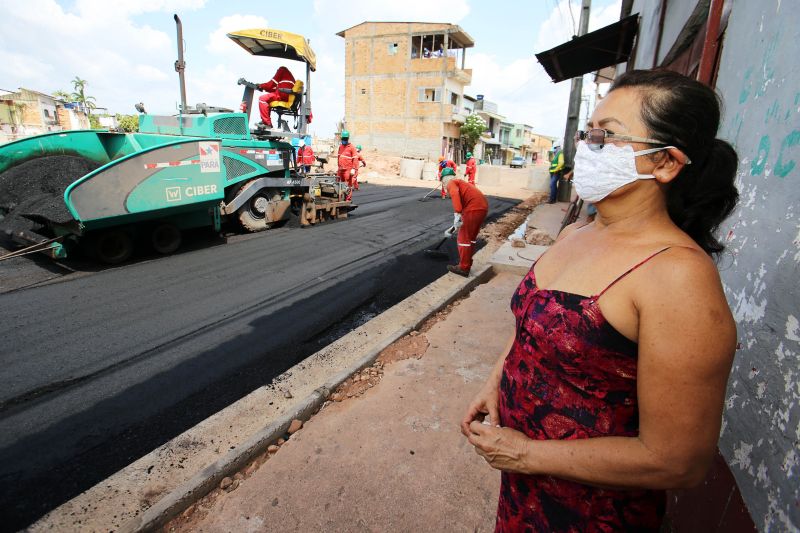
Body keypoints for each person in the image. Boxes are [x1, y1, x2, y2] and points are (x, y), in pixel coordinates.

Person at [461, 68, 739, 532]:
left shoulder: (678, 278)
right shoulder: (576, 232)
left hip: (592, 517)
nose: (585, 148)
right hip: (523, 498)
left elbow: (677, 461)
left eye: (605, 137)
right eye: (589, 133)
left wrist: (526, 454)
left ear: (666, 163)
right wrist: (496, 381)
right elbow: (531, 327)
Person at [442, 172, 488, 277]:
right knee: (470, 238)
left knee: (463, 239)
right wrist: (453, 227)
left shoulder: (451, 183)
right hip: (481, 208)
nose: (445, 189)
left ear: (444, 181)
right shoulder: (461, 184)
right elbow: (462, 212)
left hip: (474, 209)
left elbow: (455, 198)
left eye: (444, 186)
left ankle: (463, 268)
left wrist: (457, 214)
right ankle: (467, 264)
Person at [337, 130, 358, 198]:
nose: (344, 140)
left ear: (348, 139)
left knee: (348, 185)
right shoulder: (340, 147)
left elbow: (355, 158)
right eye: (343, 139)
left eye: (345, 139)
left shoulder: (352, 147)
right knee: (338, 183)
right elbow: (339, 157)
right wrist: (338, 166)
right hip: (340, 169)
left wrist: (354, 169)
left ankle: (347, 199)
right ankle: (340, 198)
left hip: (348, 170)